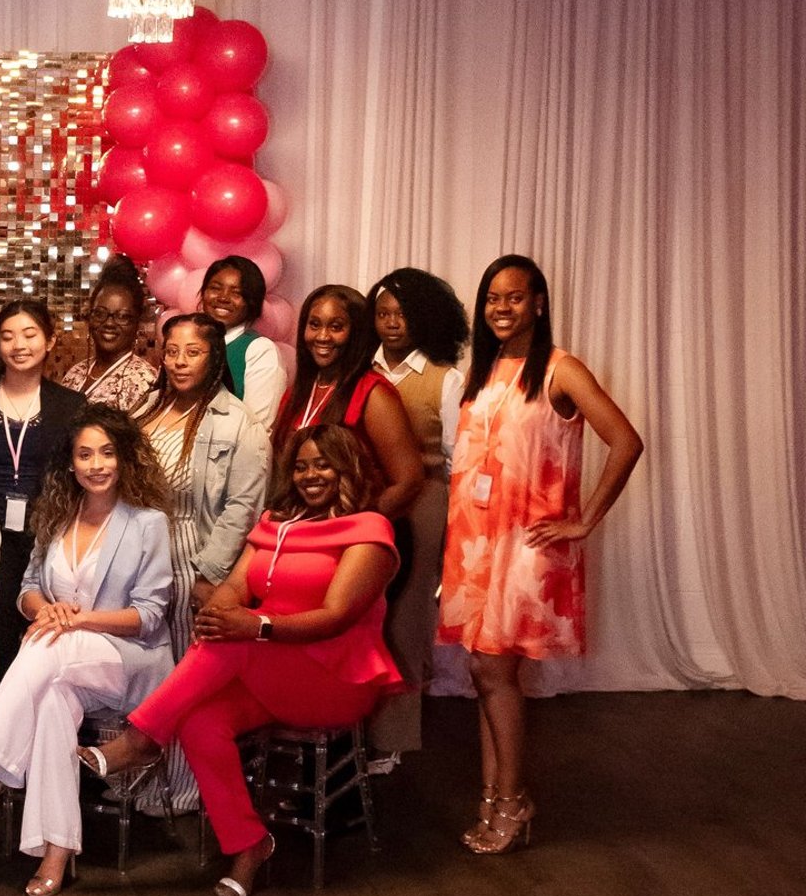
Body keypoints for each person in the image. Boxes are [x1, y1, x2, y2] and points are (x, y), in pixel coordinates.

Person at [83, 426, 402, 896]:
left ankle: (140, 739)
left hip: (333, 678)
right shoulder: (277, 524)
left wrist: (254, 627)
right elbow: (236, 586)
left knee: (234, 638)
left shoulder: (369, 531)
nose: (310, 475)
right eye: (301, 466)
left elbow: (335, 617)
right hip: (271, 668)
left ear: (348, 468)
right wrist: (219, 612)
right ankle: (250, 844)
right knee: (197, 721)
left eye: (323, 464)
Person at [0, 408, 176, 896]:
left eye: (107, 453)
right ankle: (57, 850)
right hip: (64, 661)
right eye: (85, 454)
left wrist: (74, 619)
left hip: (130, 659)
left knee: (50, 643)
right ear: (70, 463)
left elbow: (151, 615)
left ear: (124, 459)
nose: (97, 465)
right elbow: (27, 589)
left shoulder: (147, 523)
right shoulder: (56, 516)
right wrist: (46, 610)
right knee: (51, 703)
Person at [440, 255, 643, 854]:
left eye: (514, 297)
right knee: (485, 673)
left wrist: (585, 520)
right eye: (492, 299)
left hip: (525, 545)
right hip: (475, 542)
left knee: (494, 672)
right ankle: (495, 795)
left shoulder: (561, 369)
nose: (501, 309)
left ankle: (512, 800)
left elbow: (626, 440)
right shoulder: (482, 370)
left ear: (539, 303)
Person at [135, 312, 273, 811]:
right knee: (148, 669)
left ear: (214, 357)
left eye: (192, 352)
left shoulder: (239, 422)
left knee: (182, 673)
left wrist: (209, 574)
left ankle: (186, 791)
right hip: (140, 550)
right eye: (172, 351)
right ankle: (143, 782)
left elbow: (245, 508)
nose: (179, 361)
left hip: (193, 551)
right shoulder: (148, 408)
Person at [365, 267, 470, 762]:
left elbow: (457, 458)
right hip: (364, 501)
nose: (391, 323)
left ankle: (393, 740)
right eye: (383, 313)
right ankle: (350, 724)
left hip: (423, 503)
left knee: (405, 617)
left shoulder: (444, 378)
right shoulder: (359, 366)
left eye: (402, 315)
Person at [0, 301, 86, 674]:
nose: (19, 344)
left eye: (30, 334)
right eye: (8, 336)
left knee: (42, 638)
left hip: (48, 538)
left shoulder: (72, 406)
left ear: (49, 341)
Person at [270, 284, 423, 523]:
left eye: (336, 327)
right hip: (299, 531)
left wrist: (356, 528)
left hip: (352, 540)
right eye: (314, 325)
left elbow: (409, 482)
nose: (322, 336)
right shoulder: (296, 393)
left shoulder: (373, 393)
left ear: (356, 333)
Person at [54, 257, 158, 415]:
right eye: (100, 313)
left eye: (122, 316)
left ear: (137, 322)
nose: (109, 323)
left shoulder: (145, 381)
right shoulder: (76, 372)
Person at [199, 256, 285, 434]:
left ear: (251, 302)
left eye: (236, 293)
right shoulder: (189, 343)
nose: (223, 297)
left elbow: (258, 430)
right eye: (215, 288)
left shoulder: (259, 350)